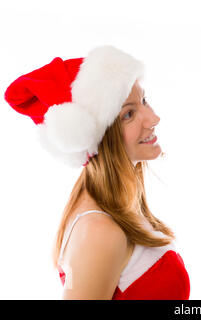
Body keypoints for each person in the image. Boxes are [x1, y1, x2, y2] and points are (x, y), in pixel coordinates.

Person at [3, 45, 190, 300]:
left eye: (144, 101)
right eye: (129, 114)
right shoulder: (101, 230)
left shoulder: (115, 213)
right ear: (97, 137)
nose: (153, 118)